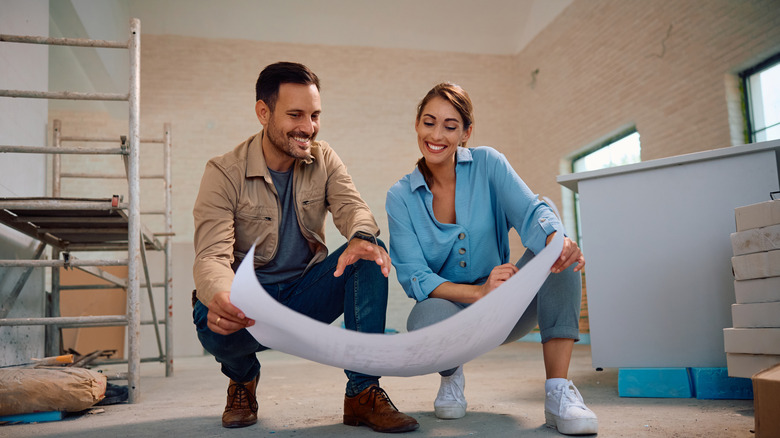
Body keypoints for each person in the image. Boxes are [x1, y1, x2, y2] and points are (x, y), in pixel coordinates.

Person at [192, 61, 418, 433]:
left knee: (367, 251)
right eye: (295, 114)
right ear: (263, 112)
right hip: (248, 303)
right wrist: (222, 295)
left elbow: (353, 209)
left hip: (303, 296)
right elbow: (211, 256)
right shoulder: (223, 172)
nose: (308, 127)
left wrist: (361, 235)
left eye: (314, 115)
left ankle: (362, 392)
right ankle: (242, 378)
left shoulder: (324, 158)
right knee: (210, 315)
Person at [385, 82, 598, 436]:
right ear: (417, 125)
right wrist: (480, 292)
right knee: (423, 319)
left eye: (450, 126)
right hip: (453, 313)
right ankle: (451, 377)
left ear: (466, 132)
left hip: (507, 308)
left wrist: (556, 239)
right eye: (428, 122)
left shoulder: (489, 163)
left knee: (555, 250)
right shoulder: (400, 196)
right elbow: (415, 276)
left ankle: (558, 392)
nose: (436, 135)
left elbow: (532, 212)